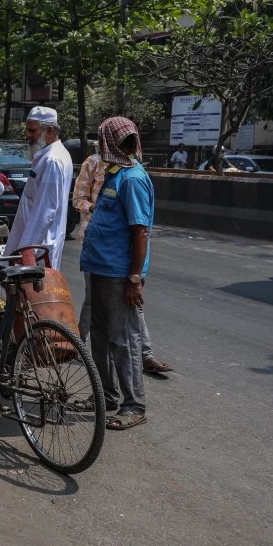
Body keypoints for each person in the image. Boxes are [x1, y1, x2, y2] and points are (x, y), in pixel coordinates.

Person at [81, 117, 155, 430]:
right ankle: (106, 394)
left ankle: (133, 404)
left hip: (118, 272)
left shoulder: (134, 179)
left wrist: (134, 279)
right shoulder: (115, 173)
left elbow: (140, 231)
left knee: (123, 339)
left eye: (102, 140)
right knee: (99, 334)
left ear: (110, 142)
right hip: (98, 267)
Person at [73, 146, 173, 375]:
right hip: (97, 247)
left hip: (122, 253)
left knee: (131, 307)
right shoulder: (93, 163)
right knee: (94, 305)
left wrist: (136, 275)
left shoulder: (132, 173)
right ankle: (79, 343)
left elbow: (140, 229)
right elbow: (78, 199)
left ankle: (144, 355)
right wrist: (94, 207)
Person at [5, 106, 73, 268]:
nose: (28, 135)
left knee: (36, 290)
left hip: (38, 246)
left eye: (32, 131)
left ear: (49, 131)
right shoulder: (47, 156)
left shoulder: (53, 160)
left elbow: (46, 210)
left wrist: (28, 248)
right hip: (33, 242)